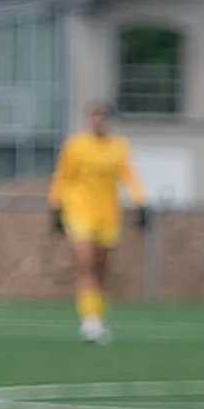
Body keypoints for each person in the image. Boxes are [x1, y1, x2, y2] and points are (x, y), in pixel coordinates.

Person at [46, 102, 147, 344]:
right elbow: (63, 176)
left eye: (102, 117)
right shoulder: (76, 146)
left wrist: (141, 202)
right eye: (94, 117)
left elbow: (129, 176)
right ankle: (89, 322)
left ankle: (97, 318)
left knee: (101, 268)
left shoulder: (118, 147)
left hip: (108, 215)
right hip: (80, 211)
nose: (98, 121)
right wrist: (55, 205)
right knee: (86, 264)